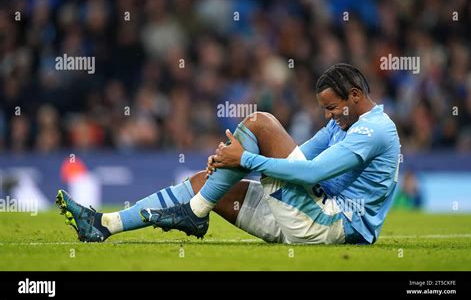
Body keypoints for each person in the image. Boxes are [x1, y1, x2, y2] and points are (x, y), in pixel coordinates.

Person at [56, 63, 400, 244]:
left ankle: (193, 213)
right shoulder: (340, 125)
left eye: (332, 107)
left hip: (335, 225)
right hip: (310, 214)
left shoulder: (375, 129)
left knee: (261, 122)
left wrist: (244, 159)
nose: (327, 116)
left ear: (355, 96)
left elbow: (310, 174)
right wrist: (229, 163)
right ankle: (103, 225)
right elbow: (299, 161)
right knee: (203, 183)